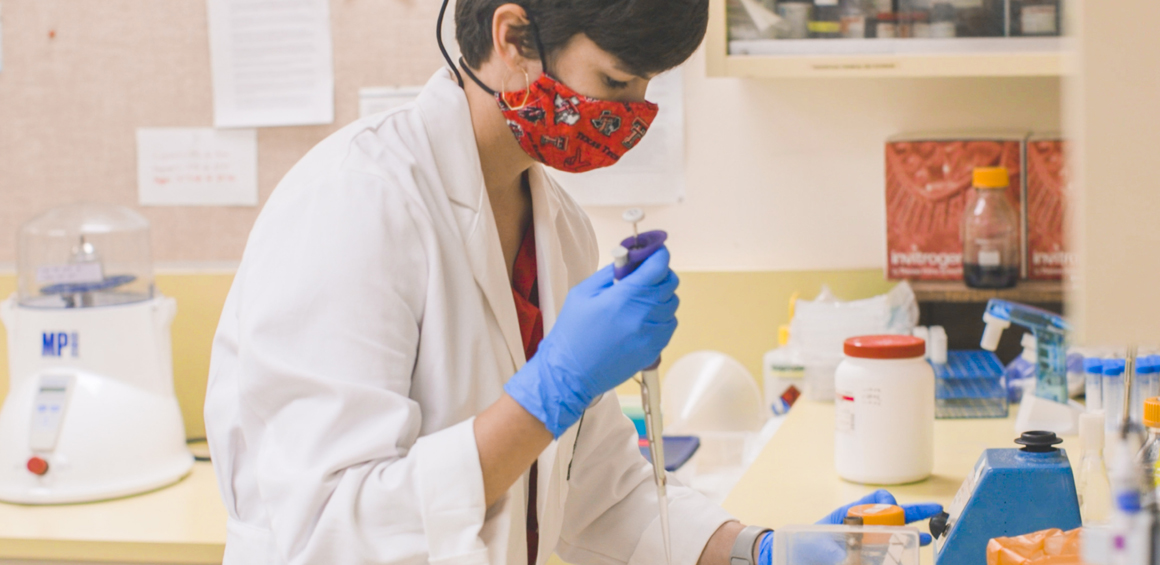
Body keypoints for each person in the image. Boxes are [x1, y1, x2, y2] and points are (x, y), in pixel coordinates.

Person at [203, 1, 942, 563]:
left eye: (647, 88)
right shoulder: (359, 201)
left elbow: (601, 491)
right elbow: (327, 529)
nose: (631, 117)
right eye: (616, 81)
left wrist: (758, 549)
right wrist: (547, 391)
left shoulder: (558, 225)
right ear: (513, 38)